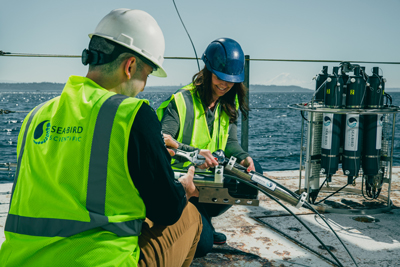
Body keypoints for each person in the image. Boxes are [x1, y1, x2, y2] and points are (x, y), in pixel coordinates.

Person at [0, 8, 202, 267]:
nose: (143, 87)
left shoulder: (34, 117)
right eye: (147, 76)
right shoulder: (133, 115)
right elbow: (166, 210)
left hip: (18, 262)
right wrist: (184, 190)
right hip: (99, 262)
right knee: (190, 216)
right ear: (130, 66)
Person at [157, 38, 263, 257]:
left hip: (206, 183)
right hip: (180, 185)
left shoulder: (228, 103)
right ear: (207, 71)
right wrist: (194, 154)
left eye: (230, 80)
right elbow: (162, 139)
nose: (224, 85)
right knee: (202, 247)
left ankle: (202, 216)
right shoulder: (181, 101)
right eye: (219, 77)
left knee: (255, 172)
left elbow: (231, 143)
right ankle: (193, 219)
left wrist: (244, 158)